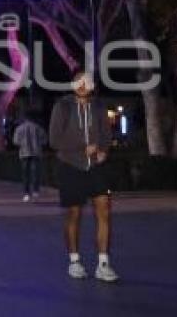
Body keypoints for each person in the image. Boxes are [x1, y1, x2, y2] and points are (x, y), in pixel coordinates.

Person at [49, 70, 118, 282]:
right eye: (78, 80)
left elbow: (106, 134)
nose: (82, 83)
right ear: (72, 84)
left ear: (92, 85)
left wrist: (104, 149)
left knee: (104, 211)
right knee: (74, 215)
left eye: (86, 80)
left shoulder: (98, 106)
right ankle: (74, 261)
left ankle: (103, 264)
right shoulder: (63, 106)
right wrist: (82, 148)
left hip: (96, 167)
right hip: (70, 166)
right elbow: (54, 140)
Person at [12, 111, 47, 202]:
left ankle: (26, 194)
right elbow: (44, 141)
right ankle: (35, 192)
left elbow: (16, 142)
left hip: (24, 153)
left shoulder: (19, 128)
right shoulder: (38, 128)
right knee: (36, 173)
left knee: (25, 175)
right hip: (36, 153)